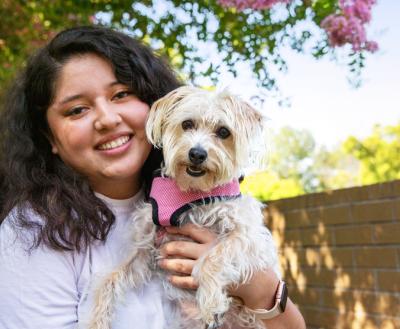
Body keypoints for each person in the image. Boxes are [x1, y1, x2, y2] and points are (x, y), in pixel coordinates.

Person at [0, 26, 305, 329]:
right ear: (48, 136)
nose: (107, 119)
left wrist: (259, 288)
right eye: (77, 110)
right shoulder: (31, 233)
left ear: (152, 106)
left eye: (121, 94)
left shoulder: (203, 202)